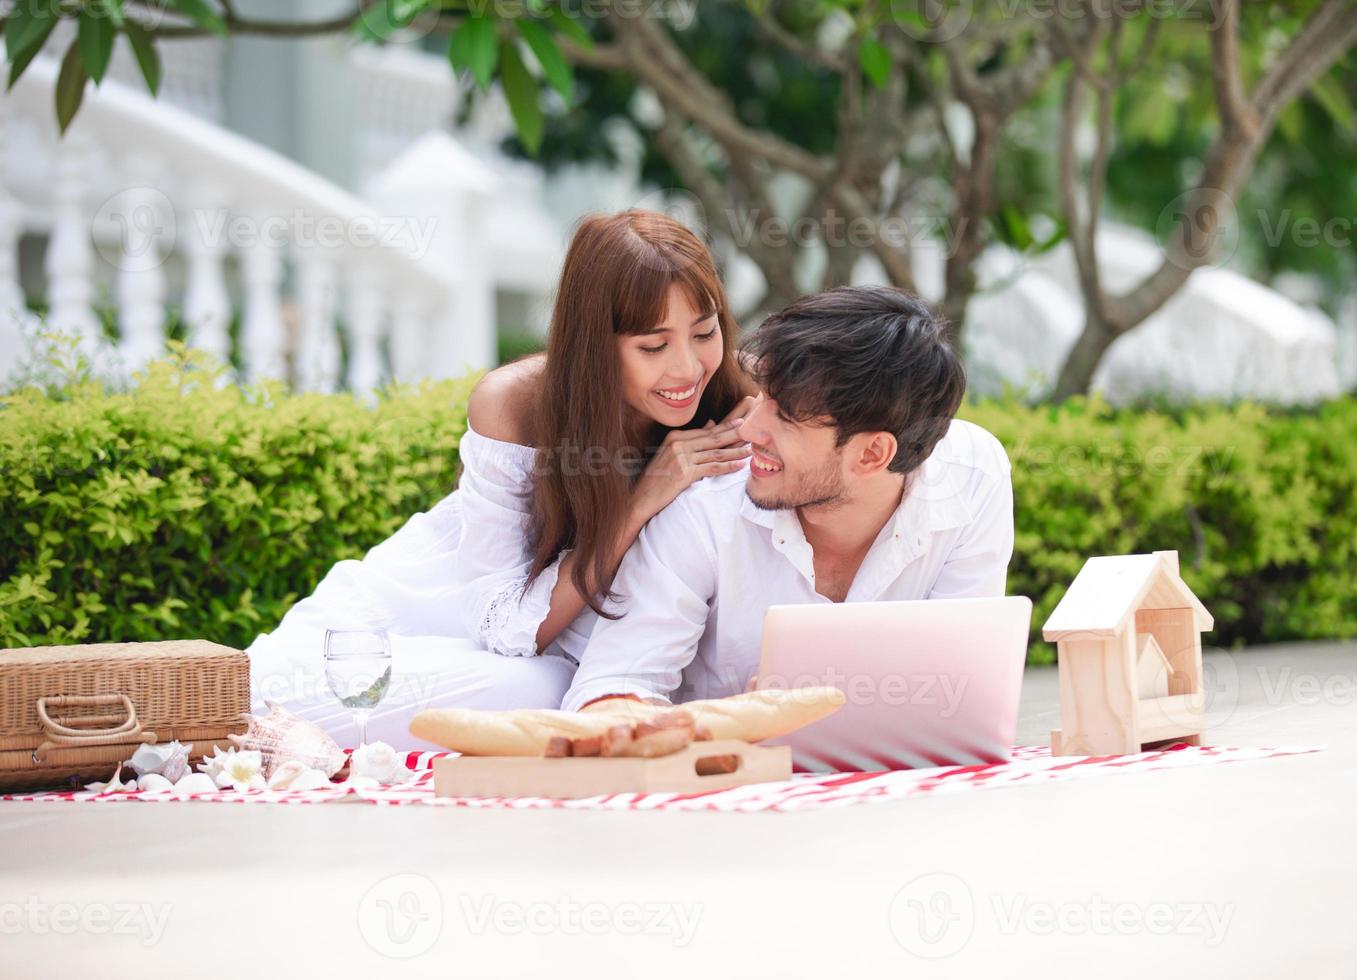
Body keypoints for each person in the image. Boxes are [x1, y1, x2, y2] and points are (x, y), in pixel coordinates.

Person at [246, 209, 754, 748]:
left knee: (583, 692)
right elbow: (509, 628)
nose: (687, 368)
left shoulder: (733, 391)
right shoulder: (516, 405)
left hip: (550, 660)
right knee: (546, 693)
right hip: (415, 621)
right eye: (654, 346)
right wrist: (641, 500)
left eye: (704, 332)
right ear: (595, 344)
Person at [559, 286, 1014, 713]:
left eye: (787, 418)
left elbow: (965, 687)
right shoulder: (706, 504)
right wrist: (742, 721)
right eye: (762, 396)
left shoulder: (971, 478)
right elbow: (607, 693)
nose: (749, 428)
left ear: (872, 453)